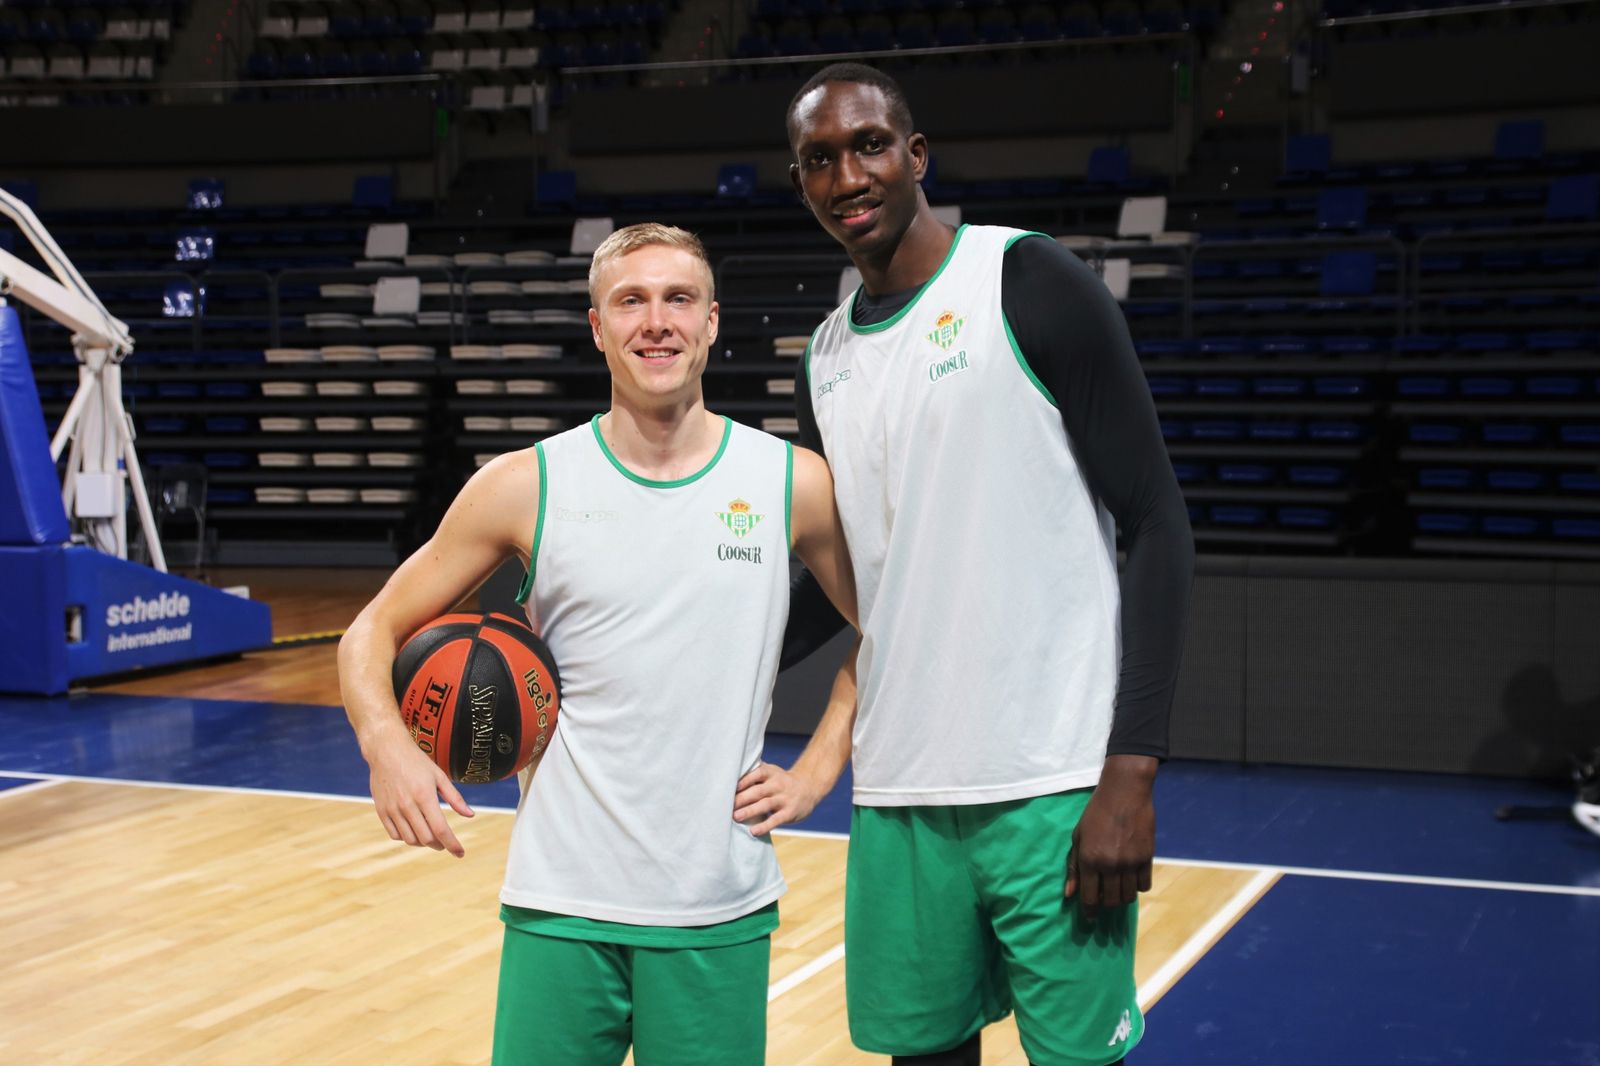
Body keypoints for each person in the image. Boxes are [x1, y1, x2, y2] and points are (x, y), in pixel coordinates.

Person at [733, 64, 1195, 1066]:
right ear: (800, 181)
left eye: (867, 146)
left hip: (1053, 781)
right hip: (900, 792)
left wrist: (1130, 771)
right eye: (819, 160)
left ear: (916, 155)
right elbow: (855, 578)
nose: (846, 174)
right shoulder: (822, 356)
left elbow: (1157, 523)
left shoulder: (1025, 280)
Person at [338, 222, 858, 1066]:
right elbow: (370, 632)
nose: (656, 321)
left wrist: (819, 767)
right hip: (559, 900)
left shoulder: (789, 482)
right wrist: (385, 743)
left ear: (713, 321)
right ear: (597, 327)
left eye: (678, 298)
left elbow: (890, 630)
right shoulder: (523, 484)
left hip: (714, 904)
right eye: (631, 300)